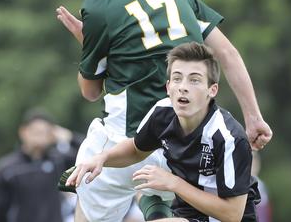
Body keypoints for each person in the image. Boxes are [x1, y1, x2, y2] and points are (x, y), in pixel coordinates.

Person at [54, 0, 271, 221]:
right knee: (159, 195)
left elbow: (90, 91)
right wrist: (253, 117)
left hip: (128, 143)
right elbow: (228, 53)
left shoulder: (99, 6)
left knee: (89, 203)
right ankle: (156, 207)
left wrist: (86, 44)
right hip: (186, 149)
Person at [67, 42, 260, 221]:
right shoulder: (163, 113)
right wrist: (102, 158)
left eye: (194, 80)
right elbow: (136, 150)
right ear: (168, 87)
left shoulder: (229, 137)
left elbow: (233, 213)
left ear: (212, 90)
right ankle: (153, 204)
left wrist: (173, 183)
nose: (183, 87)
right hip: (185, 214)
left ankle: (153, 204)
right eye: (177, 79)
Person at [0, 109, 81, 222]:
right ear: (23, 132)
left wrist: (70, 137)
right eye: (36, 131)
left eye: (45, 132)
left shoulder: (59, 161)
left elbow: (90, 156)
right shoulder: (7, 169)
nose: (40, 136)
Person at [250, 150, 272, 222]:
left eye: (255, 162)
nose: (253, 165)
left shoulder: (262, 185)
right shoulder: (240, 184)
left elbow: (266, 211)